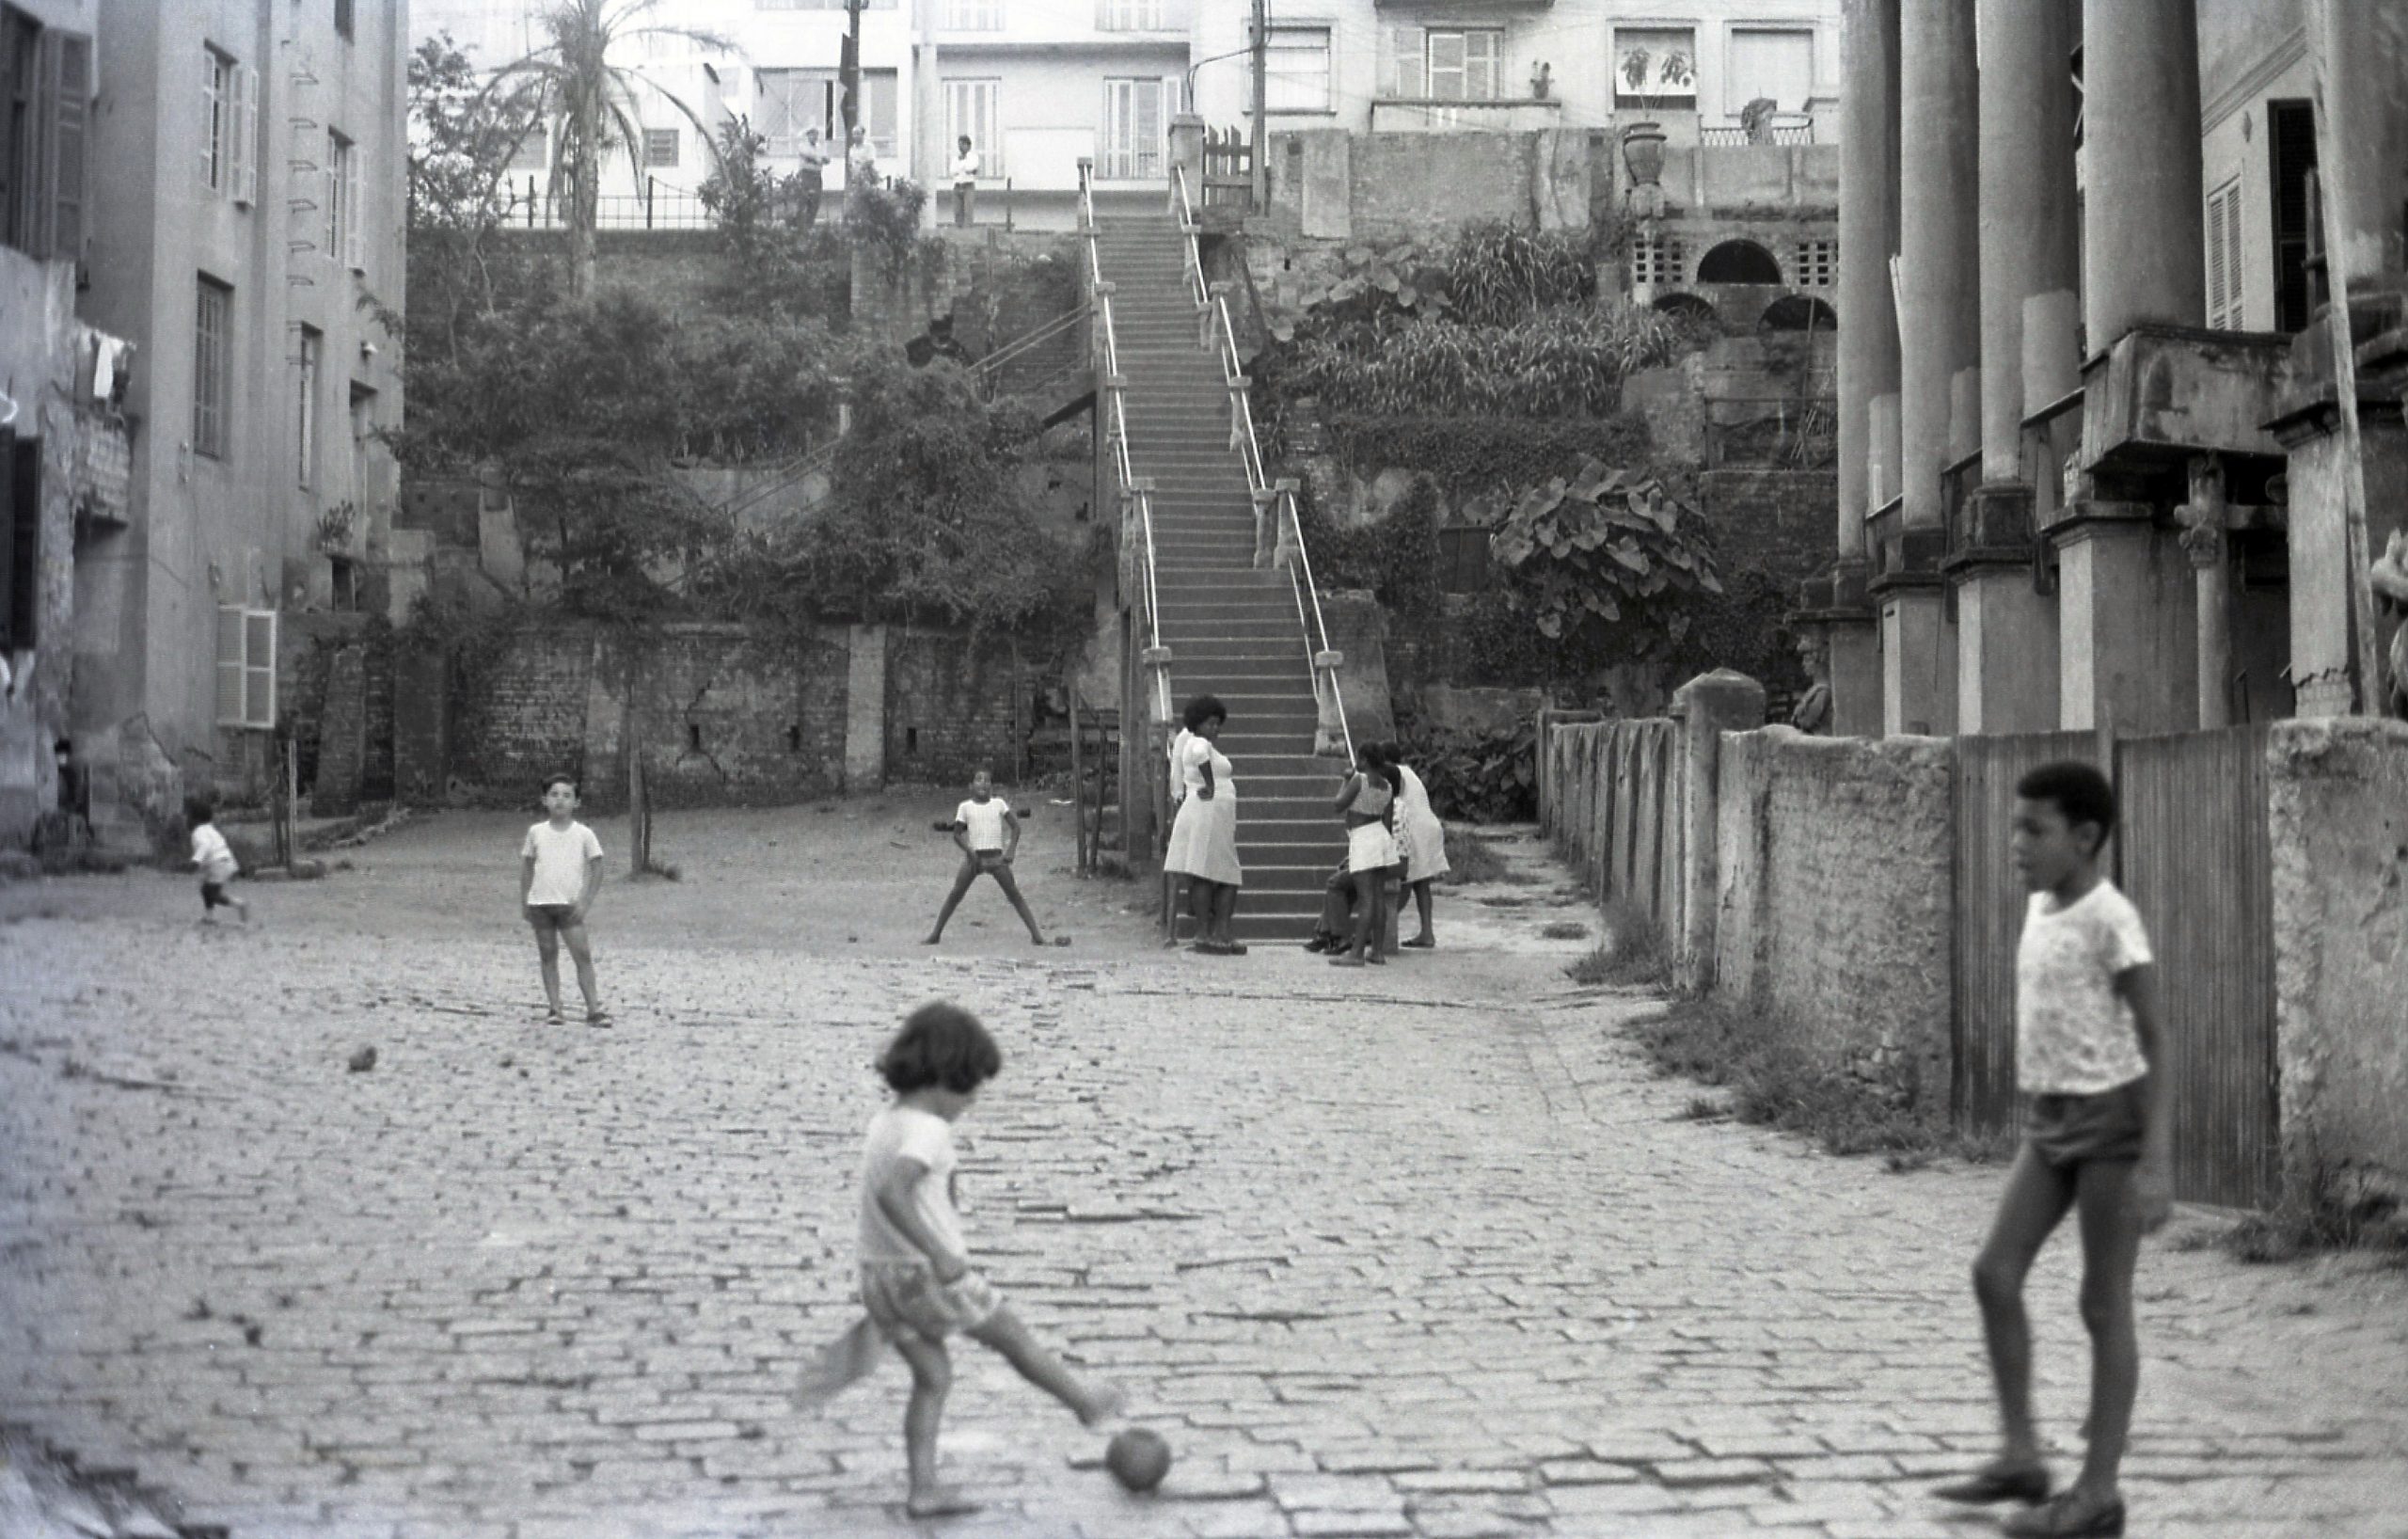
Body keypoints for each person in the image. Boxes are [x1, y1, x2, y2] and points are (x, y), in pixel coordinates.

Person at [1935, 761, 2167, 1539]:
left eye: (2035, 830)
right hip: (2050, 1123)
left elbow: (2158, 1039)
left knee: (2103, 1302)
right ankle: (2021, 1455)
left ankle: (2098, 1494)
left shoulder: (2112, 919)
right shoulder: (2040, 904)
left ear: (2086, 836)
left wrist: (2158, 1158)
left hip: (2111, 1127)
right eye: (2015, 826)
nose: (2017, 843)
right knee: (1993, 1273)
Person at [794, 1003, 1124, 1517]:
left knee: (933, 1378)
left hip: (880, 1278)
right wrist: (939, 1252)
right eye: (968, 1087)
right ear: (942, 1077)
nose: (971, 1101)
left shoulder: (886, 1121)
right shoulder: (928, 1129)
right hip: (924, 1275)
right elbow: (893, 1193)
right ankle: (1085, 1402)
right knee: (1013, 1336)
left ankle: (923, 1492)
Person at [923, 767, 1048, 946]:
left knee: (1014, 895)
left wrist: (1011, 850)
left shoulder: (999, 804)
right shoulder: (965, 807)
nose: (983, 783)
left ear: (992, 786)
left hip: (996, 858)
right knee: (955, 894)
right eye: (979, 779)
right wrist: (969, 851)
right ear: (971, 785)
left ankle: (1036, 935)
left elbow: (1016, 827)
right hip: (975, 859)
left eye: (987, 780)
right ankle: (935, 934)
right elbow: (957, 835)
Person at [520, 772, 609, 1027]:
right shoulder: (536, 832)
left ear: (576, 802)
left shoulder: (584, 834)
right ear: (544, 799)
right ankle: (555, 1008)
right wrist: (525, 900)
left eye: (567, 795)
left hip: (569, 905)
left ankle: (593, 1009)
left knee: (582, 955)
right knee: (548, 955)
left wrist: (585, 902)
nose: (560, 800)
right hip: (541, 904)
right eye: (554, 795)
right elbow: (527, 866)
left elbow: (598, 867)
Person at [1161, 695, 1244, 955]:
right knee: (1223, 873)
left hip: (1213, 813)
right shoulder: (1198, 743)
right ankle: (1215, 933)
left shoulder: (1200, 744)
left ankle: (1210, 933)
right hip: (1208, 812)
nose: (1215, 728)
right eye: (1210, 723)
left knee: (1207, 871)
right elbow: (1199, 756)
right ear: (1197, 723)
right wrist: (1210, 783)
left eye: (1218, 723)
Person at [1328, 744, 1401, 968]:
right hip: (1381, 836)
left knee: (1366, 899)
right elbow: (1388, 821)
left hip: (1363, 838)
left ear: (1365, 760)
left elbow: (1338, 805)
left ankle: (1357, 953)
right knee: (1378, 897)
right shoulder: (1388, 786)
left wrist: (1345, 780)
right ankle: (1377, 951)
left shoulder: (1359, 780)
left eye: (1359, 759)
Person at [1386, 743, 1449, 947]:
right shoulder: (1409, 772)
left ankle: (1382, 927)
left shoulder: (1394, 773)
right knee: (1421, 884)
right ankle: (1427, 933)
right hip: (1428, 827)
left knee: (1404, 882)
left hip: (1416, 830)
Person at [185, 797, 249, 925]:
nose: (187, 820)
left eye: (189, 817)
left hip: (217, 864)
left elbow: (205, 845)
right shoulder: (211, 830)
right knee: (206, 890)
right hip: (225, 861)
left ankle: (239, 904)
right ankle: (209, 917)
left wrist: (195, 861)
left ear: (196, 819)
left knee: (212, 893)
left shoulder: (198, 832)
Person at [792, 126, 828, 229]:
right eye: (812, 134)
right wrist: (818, 158)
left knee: (815, 201)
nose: (815, 137)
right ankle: (799, 226)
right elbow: (808, 155)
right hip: (806, 175)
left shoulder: (820, 147)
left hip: (816, 175)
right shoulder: (802, 145)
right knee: (803, 200)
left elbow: (826, 159)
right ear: (808, 135)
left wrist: (820, 159)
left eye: (816, 134)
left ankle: (809, 225)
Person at [950, 135, 980, 228]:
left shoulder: (973, 157)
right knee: (957, 210)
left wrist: (962, 167)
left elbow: (970, 168)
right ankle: (958, 229)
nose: (960, 147)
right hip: (957, 185)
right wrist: (963, 169)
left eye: (963, 144)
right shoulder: (955, 158)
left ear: (968, 146)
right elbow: (952, 171)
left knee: (968, 209)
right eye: (959, 144)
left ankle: (968, 229)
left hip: (968, 185)